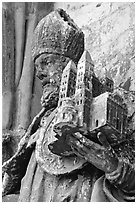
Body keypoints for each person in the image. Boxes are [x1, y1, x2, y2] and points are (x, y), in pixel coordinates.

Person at [2, 9, 135, 202]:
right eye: (37, 66)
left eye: (46, 62)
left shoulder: (111, 105)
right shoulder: (37, 128)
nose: (40, 74)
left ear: (71, 64)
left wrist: (113, 166)